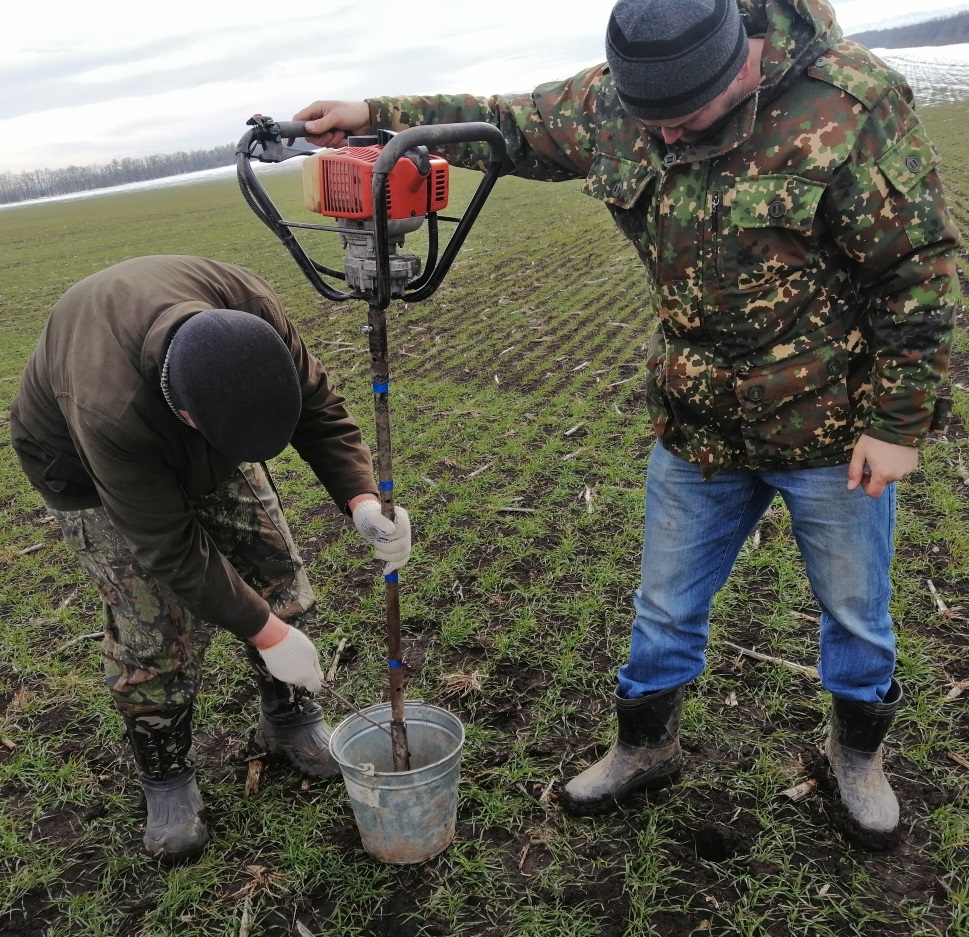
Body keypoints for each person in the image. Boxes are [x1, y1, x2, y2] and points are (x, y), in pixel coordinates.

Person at [292, 0, 960, 850]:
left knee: (856, 612)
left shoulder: (851, 102)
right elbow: (505, 124)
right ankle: (644, 746)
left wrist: (896, 423)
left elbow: (919, 270)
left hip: (830, 424)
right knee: (664, 605)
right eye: (654, 121)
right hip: (698, 422)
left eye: (685, 117)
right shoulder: (616, 100)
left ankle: (855, 758)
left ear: (739, 63)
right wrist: (374, 118)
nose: (669, 135)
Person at [10, 254, 412, 862]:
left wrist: (360, 500)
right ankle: (165, 775)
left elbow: (321, 413)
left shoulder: (253, 318)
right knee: (156, 627)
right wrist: (266, 634)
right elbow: (169, 545)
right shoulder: (108, 409)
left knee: (276, 572)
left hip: (192, 414)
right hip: (83, 470)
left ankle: (288, 718)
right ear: (190, 417)